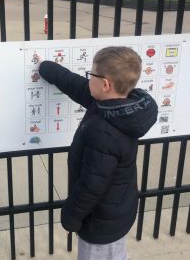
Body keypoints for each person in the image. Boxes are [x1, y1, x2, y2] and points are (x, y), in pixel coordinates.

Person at [39, 46, 158, 260]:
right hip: (117, 210)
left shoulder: (104, 132)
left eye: (91, 74)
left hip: (100, 221)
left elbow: (91, 185)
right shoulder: (118, 107)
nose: (88, 79)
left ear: (105, 85)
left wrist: (71, 218)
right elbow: (76, 85)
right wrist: (47, 68)